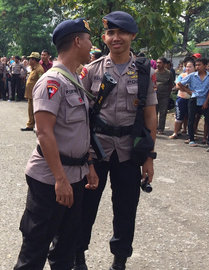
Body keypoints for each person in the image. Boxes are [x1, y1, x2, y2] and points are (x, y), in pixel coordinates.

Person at [75, 11, 158, 270]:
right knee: (85, 208)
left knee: (125, 210)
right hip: (96, 149)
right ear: (104, 37)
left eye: (121, 32)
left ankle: (119, 261)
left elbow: (149, 116)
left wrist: (149, 158)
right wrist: (85, 156)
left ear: (132, 35)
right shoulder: (91, 70)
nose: (116, 37)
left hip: (128, 152)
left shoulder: (144, 72)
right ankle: (79, 257)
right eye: (111, 33)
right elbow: (80, 115)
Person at [14, 18, 97, 270]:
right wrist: (60, 178)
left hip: (76, 175)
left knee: (66, 249)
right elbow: (44, 134)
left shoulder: (74, 79)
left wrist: (89, 164)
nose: (92, 45)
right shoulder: (52, 82)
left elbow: (81, 129)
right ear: (77, 41)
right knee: (35, 248)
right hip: (50, 180)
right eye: (89, 40)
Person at [177, 58, 209, 146]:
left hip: (205, 100)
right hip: (194, 99)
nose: (197, 67)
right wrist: (188, 91)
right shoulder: (192, 76)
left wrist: (206, 101)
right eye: (196, 65)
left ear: (205, 66)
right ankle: (191, 139)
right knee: (191, 119)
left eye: (199, 65)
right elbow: (180, 84)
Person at [169, 59, 195, 139]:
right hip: (181, 98)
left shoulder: (196, 76)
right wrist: (187, 89)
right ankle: (175, 132)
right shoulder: (182, 75)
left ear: (194, 67)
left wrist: (182, 87)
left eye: (190, 67)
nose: (188, 68)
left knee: (190, 117)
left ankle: (189, 133)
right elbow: (177, 86)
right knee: (179, 116)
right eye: (187, 66)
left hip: (192, 99)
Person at [21, 52, 44, 132]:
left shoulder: (39, 69)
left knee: (35, 110)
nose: (29, 61)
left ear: (34, 60)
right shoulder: (33, 69)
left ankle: (36, 125)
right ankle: (30, 125)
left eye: (30, 59)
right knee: (30, 110)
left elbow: (41, 82)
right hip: (30, 94)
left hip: (35, 94)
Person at [155, 57, 175, 134]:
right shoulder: (154, 72)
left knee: (163, 113)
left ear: (164, 64)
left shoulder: (169, 73)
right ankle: (154, 127)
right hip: (155, 96)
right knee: (154, 112)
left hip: (165, 96)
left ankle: (161, 129)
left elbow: (171, 84)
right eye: (157, 62)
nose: (158, 64)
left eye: (160, 63)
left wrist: (168, 93)